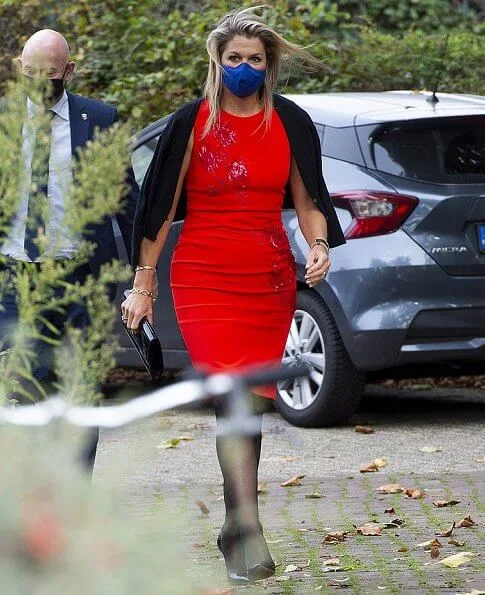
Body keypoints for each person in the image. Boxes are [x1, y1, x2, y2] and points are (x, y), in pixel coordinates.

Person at [123, 7, 345, 584]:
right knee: (234, 400)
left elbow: (308, 200)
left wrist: (318, 245)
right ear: (216, 64)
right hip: (202, 278)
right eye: (233, 60)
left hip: (267, 278)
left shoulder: (290, 122)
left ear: (268, 66)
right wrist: (143, 287)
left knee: (257, 401)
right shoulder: (192, 122)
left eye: (254, 60)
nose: (243, 68)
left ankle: (236, 524)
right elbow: (160, 211)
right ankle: (245, 528)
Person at [0, 30, 139, 469]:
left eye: (50, 75)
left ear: (70, 73)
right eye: (30, 74)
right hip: (14, 281)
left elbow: (126, 201)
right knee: (21, 391)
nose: (40, 83)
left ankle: (76, 498)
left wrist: (143, 275)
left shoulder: (99, 119)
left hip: (79, 281)